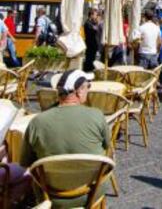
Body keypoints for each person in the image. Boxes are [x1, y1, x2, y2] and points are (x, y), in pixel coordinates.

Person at [19, 70, 110, 205]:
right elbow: (107, 147)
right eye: (88, 86)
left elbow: (26, 162)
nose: (89, 90)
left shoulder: (37, 122)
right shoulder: (97, 116)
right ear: (79, 91)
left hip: (50, 196)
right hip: (91, 193)